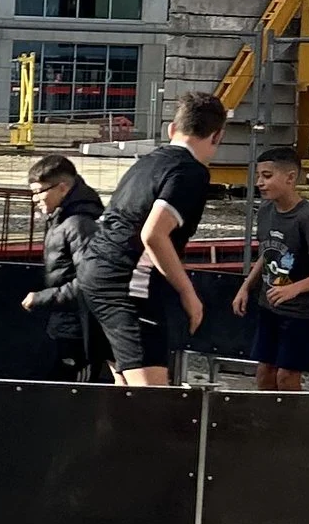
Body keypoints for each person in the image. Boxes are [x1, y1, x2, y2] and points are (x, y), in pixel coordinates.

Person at [75, 90, 228, 388]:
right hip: (128, 284)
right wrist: (188, 293)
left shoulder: (147, 162)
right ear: (217, 137)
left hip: (93, 273)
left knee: (124, 386)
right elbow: (154, 235)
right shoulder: (191, 172)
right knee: (151, 398)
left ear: (171, 129)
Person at [237, 147, 309, 393]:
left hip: (301, 313)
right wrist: (246, 286)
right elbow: (268, 252)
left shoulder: (306, 218)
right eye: (258, 177)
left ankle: (289, 427)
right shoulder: (265, 211)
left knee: (287, 376)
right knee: (265, 372)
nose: (260, 183)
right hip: (269, 306)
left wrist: (294, 289)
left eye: (267, 176)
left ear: (290, 178)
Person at [18, 153, 105, 376]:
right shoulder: (62, 220)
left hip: (79, 329)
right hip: (64, 323)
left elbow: (91, 280)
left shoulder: (79, 224)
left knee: (74, 391)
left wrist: (44, 297)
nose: (34, 199)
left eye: (39, 192)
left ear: (63, 188)